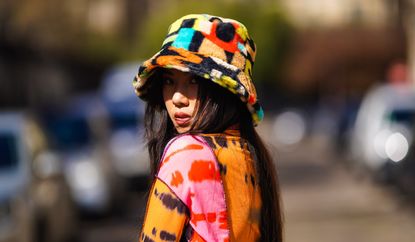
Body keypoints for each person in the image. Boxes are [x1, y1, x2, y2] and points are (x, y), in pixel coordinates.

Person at [133, 14, 283, 242]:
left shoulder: (187, 153)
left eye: (193, 81)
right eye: (168, 81)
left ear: (223, 91)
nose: (177, 98)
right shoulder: (250, 154)